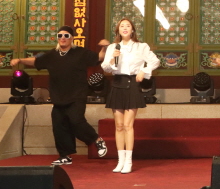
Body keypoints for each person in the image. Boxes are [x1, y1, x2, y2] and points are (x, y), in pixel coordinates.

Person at [10, 26, 110, 166]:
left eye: (66, 35)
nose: (63, 38)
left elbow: (99, 57)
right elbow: (36, 61)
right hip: (58, 97)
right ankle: (65, 156)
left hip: (76, 95)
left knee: (76, 121)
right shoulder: (52, 55)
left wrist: (105, 48)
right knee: (59, 126)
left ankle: (96, 139)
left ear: (72, 38)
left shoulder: (80, 53)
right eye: (60, 35)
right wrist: (20, 60)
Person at [101, 18, 160, 174]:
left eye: (128, 26)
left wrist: (144, 71)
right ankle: (120, 161)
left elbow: (155, 61)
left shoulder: (141, 46)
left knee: (128, 125)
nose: (125, 28)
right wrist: (112, 58)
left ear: (132, 30)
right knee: (119, 126)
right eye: (122, 26)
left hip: (132, 84)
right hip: (117, 83)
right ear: (118, 30)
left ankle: (128, 161)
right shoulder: (113, 47)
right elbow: (105, 67)